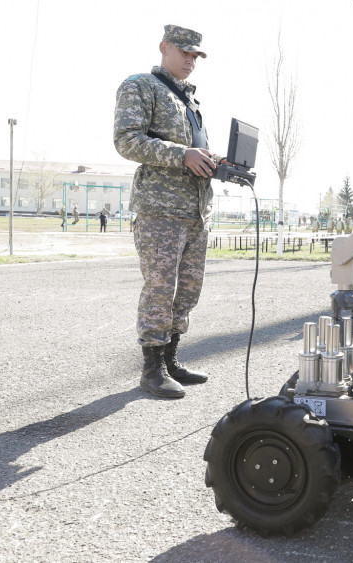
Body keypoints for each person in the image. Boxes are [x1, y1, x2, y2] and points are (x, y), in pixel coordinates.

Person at [114, 24, 215, 399]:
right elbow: (126, 140)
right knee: (160, 288)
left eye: (195, 55)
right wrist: (181, 155)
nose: (190, 60)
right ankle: (151, 369)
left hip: (195, 211)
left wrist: (217, 162)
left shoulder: (190, 101)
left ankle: (171, 359)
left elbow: (193, 151)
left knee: (188, 290)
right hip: (160, 209)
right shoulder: (140, 86)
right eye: (184, 52)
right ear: (163, 48)